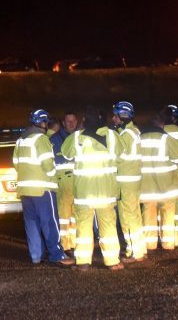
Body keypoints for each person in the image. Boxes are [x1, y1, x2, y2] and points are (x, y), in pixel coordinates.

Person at [61, 106, 125, 271]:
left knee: (83, 228)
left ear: (84, 121)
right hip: (106, 192)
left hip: (84, 193)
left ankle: (83, 262)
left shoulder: (76, 138)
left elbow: (66, 153)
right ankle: (112, 261)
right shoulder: (112, 136)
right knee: (109, 227)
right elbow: (121, 154)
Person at [12, 109, 74, 266]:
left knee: (31, 223)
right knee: (49, 222)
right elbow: (48, 164)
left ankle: (36, 256)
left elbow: (15, 163)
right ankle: (57, 255)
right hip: (42, 189)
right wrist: (54, 176)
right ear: (44, 123)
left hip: (25, 191)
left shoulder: (21, 140)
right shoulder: (41, 139)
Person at [139, 113, 178, 251]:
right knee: (168, 214)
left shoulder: (140, 139)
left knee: (148, 215)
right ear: (161, 125)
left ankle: (150, 244)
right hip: (167, 185)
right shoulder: (165, 138)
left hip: (147, 186)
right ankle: (168, 244)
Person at [111, 101, 146, 263]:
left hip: (126, 182)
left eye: (116, 116)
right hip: (132, 181)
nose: (113, 119)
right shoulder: (134, 131)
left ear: (123, 116)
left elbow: (117, 157)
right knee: (134, 216)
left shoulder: (126, 134)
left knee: (128, 217)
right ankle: (138, 249)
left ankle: (134, 252)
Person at [49, 111, 79, 254]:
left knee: (76, 216)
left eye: (73, 121)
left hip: (78, 182)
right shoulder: (55, 139)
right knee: (64, 216)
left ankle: (73, 243)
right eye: (68, 121)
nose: (71, 124)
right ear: (63, 122)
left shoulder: (80, 136)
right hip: (63, 182)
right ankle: (65, 245)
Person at [161, 108, 178, 246]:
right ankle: (177, 235)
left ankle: (169, 237)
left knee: (166, 206)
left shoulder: (164, 130)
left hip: (167, 174)